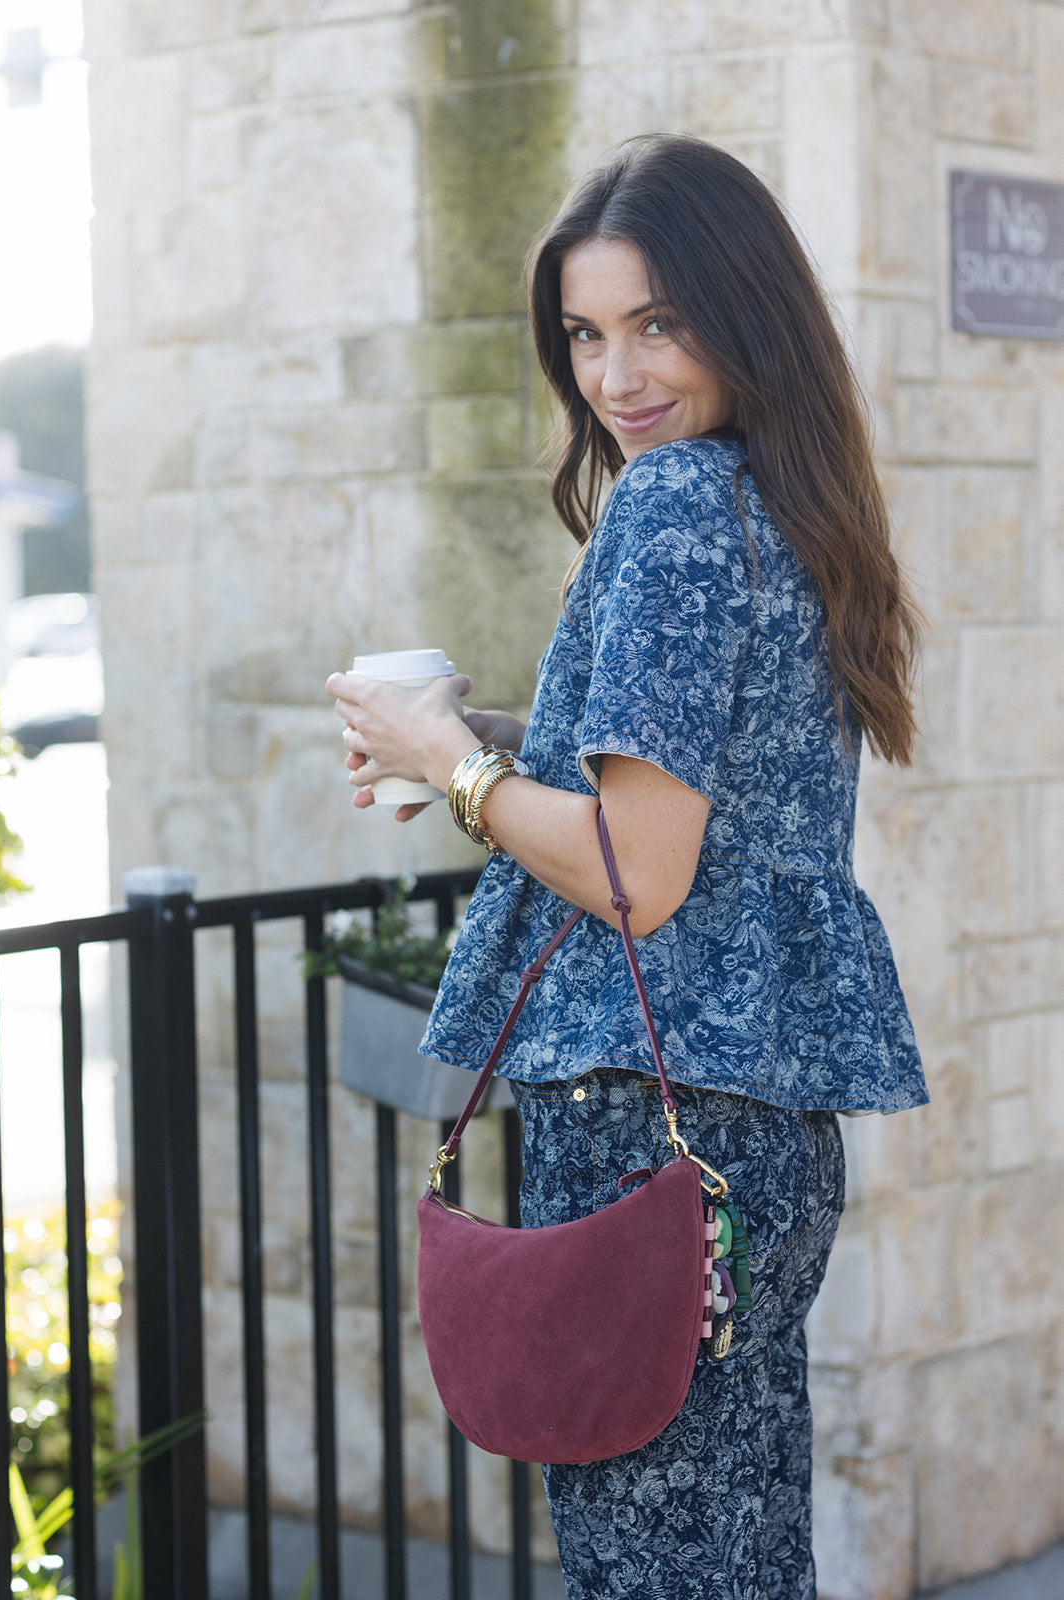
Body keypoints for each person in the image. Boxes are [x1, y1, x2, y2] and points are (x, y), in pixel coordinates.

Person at [327, 134, 927, 1600]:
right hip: (761, 1129)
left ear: (746, 311)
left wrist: (457, 775)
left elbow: (634, 871)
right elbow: (694, 791)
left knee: (647, 1566)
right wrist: (479, 736)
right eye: (586, 335)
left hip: (639, 1120)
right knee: (732, 1547)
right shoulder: (785, 503)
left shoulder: (666, 508)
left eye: (659, 321)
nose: (616, 378)